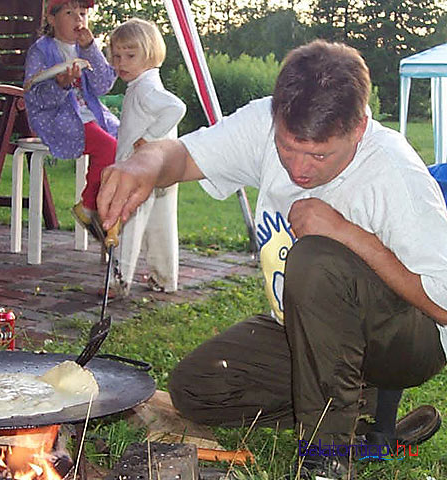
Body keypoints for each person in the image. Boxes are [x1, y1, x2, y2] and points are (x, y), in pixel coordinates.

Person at [97, 40, 447, 479]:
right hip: (311, 332)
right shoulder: (266, 123)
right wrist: (143, 164)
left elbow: (443, 306)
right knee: (197, 388)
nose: (299, 170)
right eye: (288, 147)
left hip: (409, 340)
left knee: (316, 257)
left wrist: (346, 233)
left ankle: (327, 455)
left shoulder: (395, 174)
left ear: (358, 129)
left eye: (319, 154)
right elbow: (184, 155)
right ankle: (364, 410)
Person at [24, 0, 118, 243]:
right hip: (58, 119)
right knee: (109, 147)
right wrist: (60, 85)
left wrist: (91, 50)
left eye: (83, 13)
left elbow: (103, 85)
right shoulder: (41, 50)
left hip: (93, 116)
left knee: (129, 141)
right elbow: (34, 95)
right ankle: (88, 206)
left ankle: (112, 218)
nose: (79, 19)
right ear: (51, 19)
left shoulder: (85, 49)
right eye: (69, 13)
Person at [107, 18, 185, 296]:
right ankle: (165, 278)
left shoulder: (146, 88)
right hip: (165, 166)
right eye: (117, 56)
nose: (121, 63)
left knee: (129, 220)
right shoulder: (144, 84)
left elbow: (176, 108)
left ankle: (120, 279)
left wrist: (148, 139)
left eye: (130, 56)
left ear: (151, 54)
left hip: (144, 169)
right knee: (160, 224)